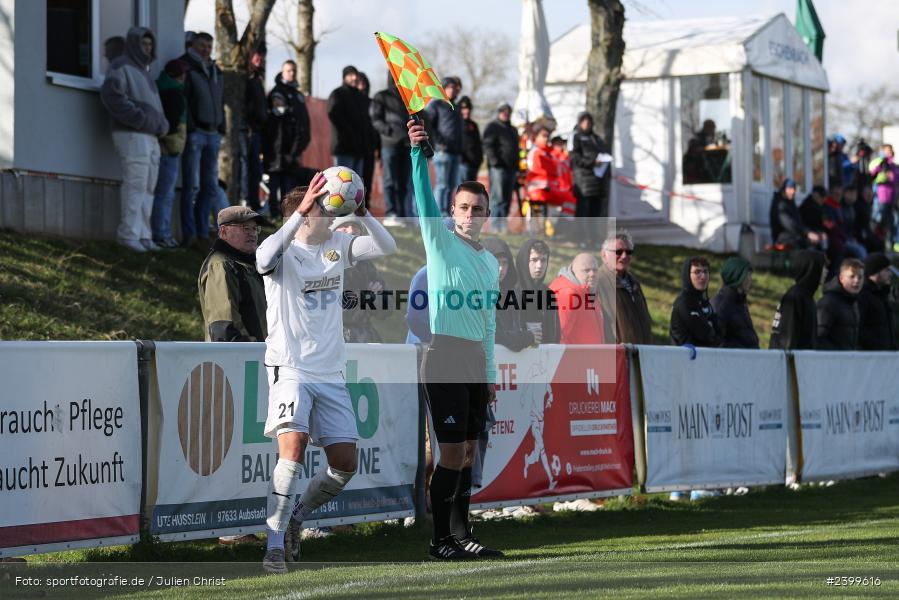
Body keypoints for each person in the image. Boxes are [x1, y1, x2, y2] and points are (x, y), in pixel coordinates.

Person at [256, 175, 396, 573]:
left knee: (345, 464)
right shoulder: (284, 252)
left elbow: (387, 246)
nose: (332, 215)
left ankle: (297, 516)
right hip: (292, 368)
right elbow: (262, 258)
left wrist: (365, 212)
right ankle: (273, 544)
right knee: (293, 451)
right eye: (323, 209)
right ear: (303, 217)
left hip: (331, 371)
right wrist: (299, 211)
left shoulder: (337, 245)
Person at [408, 118, 504, 560]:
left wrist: (488, 379)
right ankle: (439, 540)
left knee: (467, 455)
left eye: (477, 209)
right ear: (452, 212)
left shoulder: (489, 264)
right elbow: (424, 199)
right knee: (448, 457)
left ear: (487, 213)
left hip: (471, 364)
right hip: (442, 356)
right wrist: (417, 154)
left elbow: (488, 327)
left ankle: (463, 535)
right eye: (462, 207)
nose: (469, 215)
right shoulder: (441, 243)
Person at [99, 26, 168, 253]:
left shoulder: (145, 72)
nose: (147, 48)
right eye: (143, 44)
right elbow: (112, 96)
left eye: (150, 44)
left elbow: (153, 110)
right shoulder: (121, 66)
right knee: (135, 185)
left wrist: (161, 124)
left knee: (148, 188)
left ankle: (144, 235)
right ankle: (128, 236)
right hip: (131, 135)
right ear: (133, 44)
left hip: (150, 137)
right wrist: (140, 120)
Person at [180, 32, 225, 249]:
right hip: (196, 132)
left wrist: (221, 124)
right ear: (193, 45)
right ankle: (189, 233)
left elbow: (220, 99)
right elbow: (185, 99)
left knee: (209, 186)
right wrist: (190, 126)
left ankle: (202, 231)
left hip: (213, 133)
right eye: (202, 45)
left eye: (209, 45)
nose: (206, 49)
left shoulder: (215, 70)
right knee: (192, 186)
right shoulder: (187, 66)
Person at [198, 206, 267, 342]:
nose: (252, 233)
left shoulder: (248, 263)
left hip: (259, 355)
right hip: (242, 358)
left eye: (255, 228)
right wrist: (253, 351)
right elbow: (224, 328)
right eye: (245, 228)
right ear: (224, 231)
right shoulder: (220, 265)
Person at [332, 215, 387, 343]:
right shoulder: (325, 265)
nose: (351, 230)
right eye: (344, 226)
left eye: (356, 226)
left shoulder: (366, 264)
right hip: (334, 341)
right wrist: (368, 295)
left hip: (366, 339)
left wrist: (361, 299)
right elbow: (338, 310)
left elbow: (387, 307)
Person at [151, 59, 188, 249]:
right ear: (179, 76)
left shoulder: (161, 88)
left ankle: (161, 233)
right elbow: (172, 123)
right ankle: (161, 234)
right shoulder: (174, 93)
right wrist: (174, 143)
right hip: (170, 148)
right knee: (165, 194)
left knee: (162, 193)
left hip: (166, 146)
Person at [597, 231, 653, 345]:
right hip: (615, 356)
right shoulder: (597, 282)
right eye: (618, 252)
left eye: (628, 252)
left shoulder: (634, 282)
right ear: (604, 255)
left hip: (640, 354)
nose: (624, 256)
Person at [371, 74, 413, 220]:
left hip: (407, 145)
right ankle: (390, 213)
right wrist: (389, 131)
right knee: (389, 180)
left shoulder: (409, 97)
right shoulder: (381, 96)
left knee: (404, 183)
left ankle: (402, 215)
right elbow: (376, 119)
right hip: (389, 145)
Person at [483, 238, 536, 351]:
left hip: (512, 364)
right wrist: (526, 337)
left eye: (505, 263)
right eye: (496, 262)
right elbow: (494, 336)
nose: (501, 268)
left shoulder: (514, 294)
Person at [769, 249, 826, 350]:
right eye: (822, 267)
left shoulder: (807, 296)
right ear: (811, 269)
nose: (826, 271)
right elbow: (786, 340)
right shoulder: (795, 297)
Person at [424, 76, 464, 215]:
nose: (453, 90)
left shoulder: (457, 107)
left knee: (451, 186)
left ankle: (446, 214)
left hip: (456, 152)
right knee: (442, 185)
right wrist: (438, 142)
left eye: (455, 88)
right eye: (450, 87)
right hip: (442, 151)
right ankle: (438, 214)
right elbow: (428, 124)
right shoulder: (436, 105)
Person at [569, 112, 610, 247]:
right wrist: (592, 162)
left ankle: (594, 239)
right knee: (584, 211)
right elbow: (575, 158)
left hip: (598, 181)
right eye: (584, 121)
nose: (587, 124)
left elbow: (604, 153)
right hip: (583, 181)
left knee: (595, 212)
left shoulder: (596, 139)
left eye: (589, 121)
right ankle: (582, 238)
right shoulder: (576, 138)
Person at [262, 92, 304, 220]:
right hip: (273, 161)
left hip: (287, 162)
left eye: (279, 99)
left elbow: (298, 137)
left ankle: (287, 215)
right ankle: (274, 215)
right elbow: (266, 139)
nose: (276, 102)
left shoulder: (291, 118)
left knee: (288, 190)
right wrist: (266, 154)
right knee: (273, 190)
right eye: (274, 99)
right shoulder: (269, 118)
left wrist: (292, 155)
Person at [549, 253, 605, 344]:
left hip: (592, 357)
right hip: (574, 357)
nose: (592, 274)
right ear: (573, 271)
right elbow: (558, 337)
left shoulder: (589, 293)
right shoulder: (568, 294)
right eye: (586, 270)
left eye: (595, 270)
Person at [515, 239, 560, 345]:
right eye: (534, 260)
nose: (539, 266)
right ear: (524, 261)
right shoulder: (512, 292)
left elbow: (555, 333)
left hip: (545, 356)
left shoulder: (548, 294)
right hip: (516, 356)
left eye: (543, 260)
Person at [482, 103, 519, 232]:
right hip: (498, 168)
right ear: (499, 112)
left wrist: (517, 167)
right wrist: (495, 161)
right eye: (503, 111)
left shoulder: (513, 130)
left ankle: (503, 226)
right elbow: (488, 145)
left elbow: (516, 149)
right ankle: (495, 226)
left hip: (511, 169)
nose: (505, 113)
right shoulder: (493, 126)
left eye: (508, 111)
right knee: (497, 197)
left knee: (507, 199)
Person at [669, 256, 720, 347]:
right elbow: (704, 334)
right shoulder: (684, 302)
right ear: (687, 275)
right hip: (685, 359)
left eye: (705, 271)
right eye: (697, 272)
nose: (703, 276)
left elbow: (719, 334)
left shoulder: (704, 302)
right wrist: (709, 326)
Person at [710, 257, 759, 349]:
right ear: (737, 276)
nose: (751, 279)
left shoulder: (740, 302)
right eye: (748, 275)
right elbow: (716, 343)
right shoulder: (720, 305)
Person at [241, 45, 268, 213]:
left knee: (256, 170)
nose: (260, 59)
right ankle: (246, 202)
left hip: (257, 130)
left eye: (261, 56)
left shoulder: (257, 78)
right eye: (256, 56)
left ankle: (254, 203)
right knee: (246, 168)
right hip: (247, 129)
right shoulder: (245, 78)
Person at [327, 66, 368, 174]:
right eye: (350, 75)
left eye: (356, 75)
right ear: (344, 77)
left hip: (359, 149)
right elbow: (333, 115)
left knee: (357, 184)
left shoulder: (360, 96)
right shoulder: (337, 94)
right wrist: (348, 132)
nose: (354, 78)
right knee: (342, 183)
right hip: (343, 148)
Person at [816, 258, 863, 350]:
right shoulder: (828, 302)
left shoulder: (853, 302)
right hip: (833, 361)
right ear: (841, 278)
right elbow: (819, 336)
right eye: (852, 276)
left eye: (860, 277)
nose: (857, 281)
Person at [857, 253, 898, 351]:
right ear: (875, 272)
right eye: (887, 270)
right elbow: (858, 328)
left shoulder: (882, 295)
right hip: (872, 359)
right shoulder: (863, 295)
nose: (890, 274)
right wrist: (877, 345)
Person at [769, 178, 821, 249]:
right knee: (804, 242)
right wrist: (807, 233)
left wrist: (812, 232)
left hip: (792, 235)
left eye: (794, 189)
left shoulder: (791, 203)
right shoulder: (779, 205)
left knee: (817, 241)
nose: (792, 192)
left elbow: (799, 222)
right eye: (790, 189)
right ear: (784, 189)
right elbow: (789, 225)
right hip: (782, 237)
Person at [355, 72, 379, 210]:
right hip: (356, 149)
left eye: (364, 83)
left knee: (367, 182)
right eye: (359, 83)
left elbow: (375, 128)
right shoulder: (353, 104)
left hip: (370, 149)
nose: (362, 86)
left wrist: (378, 148)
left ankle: (365, 209)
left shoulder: (371, 103)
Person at [870, 144, 899, 252]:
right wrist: (880, 165)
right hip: (880, 198)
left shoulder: (895, 166)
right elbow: (872, 174)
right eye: (887, 151)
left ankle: (893, 243)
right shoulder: (879, 163)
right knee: (879, 220)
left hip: (892, 198)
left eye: (890, 151)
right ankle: (877, 242)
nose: (889, 153)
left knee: (894, 221)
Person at [458, 96, 483, 184]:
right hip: (462, 164)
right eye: (464, 108)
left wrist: (479, 159)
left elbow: (478, 143)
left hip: (474, 165)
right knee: (463, 191)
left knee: (472, 191)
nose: (467, 111)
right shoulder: (456, 123)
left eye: (468, 108)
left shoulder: (473, 125)